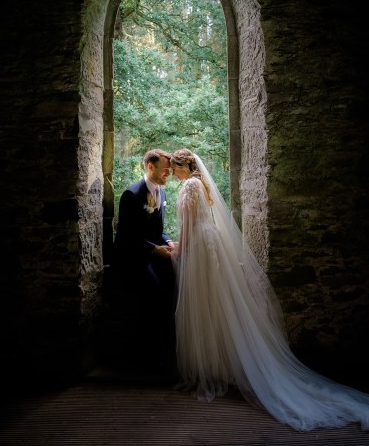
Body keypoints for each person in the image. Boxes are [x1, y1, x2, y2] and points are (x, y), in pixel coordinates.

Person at [169, 148, 369, 432]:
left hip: (199, 243)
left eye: (174, 168)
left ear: (182, 166)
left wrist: (180, 248)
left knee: (205, 304)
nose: (173, 174)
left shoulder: (189, 184)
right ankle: (222, 365)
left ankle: (212, 368)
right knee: (215, 303)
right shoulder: (200, 182)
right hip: (209, 240)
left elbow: (188, 224)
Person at [112, 148, 177, 373]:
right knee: (156, 294)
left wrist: (168, 243)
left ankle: (165, 354)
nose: (169, 174)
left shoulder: (163, 194)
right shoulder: (131, 194)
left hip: (154, 254)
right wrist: (153, 249)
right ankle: (147, 358)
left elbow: (159, 230)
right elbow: (126, 236)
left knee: (173, 287)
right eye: (165, 170)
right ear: (150, 166)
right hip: (133, 258)